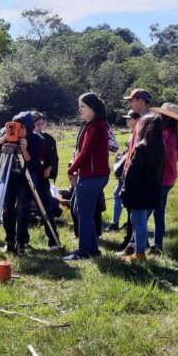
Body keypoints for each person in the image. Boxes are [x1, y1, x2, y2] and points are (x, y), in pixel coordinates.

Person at [63, 93, 111, 261]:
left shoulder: (95, 127)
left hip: (92, 176)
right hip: (91, 175)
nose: (80, 110)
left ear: (93, 108)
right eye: (79, 106)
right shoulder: (93, 125)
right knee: (78, 210)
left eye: (83, 106)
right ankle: (93, 249)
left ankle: (83, 252)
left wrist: (71, 170)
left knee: (83, 214)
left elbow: (85, 153)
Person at [117, 88, 163, 256]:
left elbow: (141, 152)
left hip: (140, 177)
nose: (131, 103)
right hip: (142, 176)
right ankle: (135, 249)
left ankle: (140, 253)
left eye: (133, 100)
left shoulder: (150, 119)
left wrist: (131, 175)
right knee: (136, 218)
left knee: (138, 218)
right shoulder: (145, 118)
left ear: (142, 100)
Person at [0, 111, 39, 255]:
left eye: (21, 126)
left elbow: (34, 165)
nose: (18, 129)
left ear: (28, 127)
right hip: (9, 177)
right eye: (16, 125)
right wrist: (4, 139)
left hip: (25, 179)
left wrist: (24, 149)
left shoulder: (36, 139)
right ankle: (9, 241)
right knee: (8, 210)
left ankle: (21, 242)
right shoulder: (7, 133)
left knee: (23, 211)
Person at [149, 103, 178, 255]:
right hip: (169, 179)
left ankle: (142, 244)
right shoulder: (174, 135)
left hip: (160, 179)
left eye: (161, 115)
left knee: (144, 212)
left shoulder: (164, 135)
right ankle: (157, 245)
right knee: (159, 213)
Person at [32, 111, 62, 251]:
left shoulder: (48, 139)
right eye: (36, 123)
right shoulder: (27, 139)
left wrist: (50, 168)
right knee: (22, 208)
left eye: (41, 123)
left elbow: (54, 158)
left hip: (43, 179)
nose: (39, 125)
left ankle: (54, 241)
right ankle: (22, 241)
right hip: (29, 179)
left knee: (47, 208)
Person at [106, 110, 140, 232]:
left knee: (118, 195)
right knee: (121, 196)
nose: (127, 120)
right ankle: (125, 222)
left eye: (129, 118)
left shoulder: (138, 134)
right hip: (125, 169)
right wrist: (122, 154)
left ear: (137, 120)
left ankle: (116, 223)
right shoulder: (134, 133)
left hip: (128, 171)